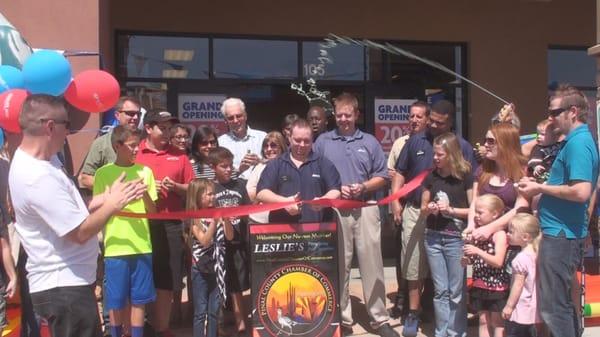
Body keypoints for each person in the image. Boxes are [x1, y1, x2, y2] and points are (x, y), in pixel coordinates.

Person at [9, 94, 145, 337]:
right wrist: (112, 205)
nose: (69, 132)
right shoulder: (37, 176)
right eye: (67, 125)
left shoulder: (44, 161)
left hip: (68, 286)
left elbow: (65, 210)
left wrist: (101, 199)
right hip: (63, 288)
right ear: (50, 127)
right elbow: (79, 232)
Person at [314, 93, 398, 337]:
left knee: (373, 264)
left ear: (356, 115)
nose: (343, 119)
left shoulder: (370, 141)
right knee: (340, 265)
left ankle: (379, 318)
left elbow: (382, 176)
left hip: (366, 207)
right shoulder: (323, 142)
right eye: (339, 115)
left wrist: (362, 187)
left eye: (347, 115)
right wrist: (335, 190)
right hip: (336, 210)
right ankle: (343, 319)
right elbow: (316, 174)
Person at [517, 84, 599, 337]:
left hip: (562, 234)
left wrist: (539, 188)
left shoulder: (579, 144)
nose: (550, 118)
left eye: (554, 112)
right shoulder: (574, 141)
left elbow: (581, 191)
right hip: (559, 232)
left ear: (572, 111)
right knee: (558, 304)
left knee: (554, 307)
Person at [391, 100, 476, 336]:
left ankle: (451, 325)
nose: (433, 125)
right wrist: (396, 201)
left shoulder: (463, 146)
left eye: (439, 122)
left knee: (451, 282)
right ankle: (413, 313)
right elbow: (400, 172)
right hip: (418, 210)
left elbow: (473, 185)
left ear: (450, 121)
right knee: (414, 267)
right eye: (432, 120)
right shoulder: (415, 141)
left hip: (454, 223)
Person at [93, 126, 158, 337]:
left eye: (137, 145)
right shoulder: (103, 173)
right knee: (116, 300)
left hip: (141, 244)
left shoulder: (145, 172)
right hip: (115, 246)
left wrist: (144, 193)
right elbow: (98, 208)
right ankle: (115, 333)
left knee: (139, 300)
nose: (136, 150)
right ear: (117, 146)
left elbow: (153, 211)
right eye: (131, 146)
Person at [135, 109, 195, 337]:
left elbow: (193, 188)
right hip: (139, 223)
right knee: (140, 274)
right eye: (163, 128)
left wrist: (176, 187)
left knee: (166, 277)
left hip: (171, 222)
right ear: (149, 128)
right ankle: (138, 327)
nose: (168, 132)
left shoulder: (179, 155)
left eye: (170, 128)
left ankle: (161, 328)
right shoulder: (135, 151)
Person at [420, 133, 472, 337]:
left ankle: (456, 332)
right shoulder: (431, 177)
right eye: (434, 154)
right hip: (433, 237)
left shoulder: (465, 176)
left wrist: (451, 211)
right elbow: (423, 207)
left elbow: (473, 210)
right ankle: (441, 332)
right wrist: (430, 208)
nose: (435, 158)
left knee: (456, 291)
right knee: (440, 290)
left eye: (439, 154)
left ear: (451, 154)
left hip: (455, 238)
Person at [386, 101, 429, 319]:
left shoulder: (436, 142)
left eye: (418, 116)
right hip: (404, 208)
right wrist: (395, 202)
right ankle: (402, 303)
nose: (414, 120)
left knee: (424, 261)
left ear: (427, 119)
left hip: (427, 210)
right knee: (405, 259)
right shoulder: (401, 143)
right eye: (411, 116)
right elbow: (393, 173)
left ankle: (425, 305)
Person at [257, 119, 341, 223]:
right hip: (282, 232)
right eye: (297, 140)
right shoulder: (276, 164)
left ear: (312, 140)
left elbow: (336, 190)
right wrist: (285, 202)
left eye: (306, 141)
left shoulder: (323, 163)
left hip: (317, 231)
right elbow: (261, 193)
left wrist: (323, 201)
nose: (302, 145)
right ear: (289, 138)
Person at [208, 147, 251, 334]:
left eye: (230, 165)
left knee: (237, 286)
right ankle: (219, 323)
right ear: (213, 167)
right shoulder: (210, 188)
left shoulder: (240, 185)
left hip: (238, 242)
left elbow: (248, 210)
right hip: (217, 245)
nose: (228, 169)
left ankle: (241, 323)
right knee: (219, 284)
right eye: (223, 166)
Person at [187, 178, 234, 337]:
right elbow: (205, 241)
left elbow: (229, 236)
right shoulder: (194, 218)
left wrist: (226, 220)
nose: (213, 197)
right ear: (198, 196)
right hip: (200, 269)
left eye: (214, 194)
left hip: (217, 268)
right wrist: (214, 221)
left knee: (214, 311)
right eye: (209, 194)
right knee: (200, 311)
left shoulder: (218, 214)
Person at [466, 123, 529, 241]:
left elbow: (521, 207)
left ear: (505, 143)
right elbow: (475, 201)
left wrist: (490, 228)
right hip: (481, 237)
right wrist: (471, 225)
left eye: (491, 141)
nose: (485, 145)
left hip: (511, 238)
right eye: (485, 140)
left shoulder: (522, 172)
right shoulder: (482, 170)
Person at [463, 194, 509, 337]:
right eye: (475, 211)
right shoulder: (477, 234)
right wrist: (467, 260)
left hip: (496, 286)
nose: (476, 216)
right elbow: (475, 260)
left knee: (497, 322)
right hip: (479, 284)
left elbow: (498, 261)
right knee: (483, 320)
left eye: (480, 212)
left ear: (495, 214)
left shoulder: (499, 235)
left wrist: (477, 250)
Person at [79, 96, 142, 190]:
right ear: (117, 115)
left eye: (138, 114)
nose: (136, 117)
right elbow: (85, 178)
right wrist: (114, 188)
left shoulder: (145, 142)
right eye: (131, 114)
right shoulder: (102, 143)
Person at [502, 213, 542, 337]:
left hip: (521, 307)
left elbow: (518, 285)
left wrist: (509, 306)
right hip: (536, 306)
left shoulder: (521, 259)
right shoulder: (538, 254)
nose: (507, 234)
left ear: (525, 237)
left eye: (511, 232)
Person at [217, 98, 267, 180]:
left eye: (239, 116)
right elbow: (219, 173)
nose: (235, 121)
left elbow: (275, 163)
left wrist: (260, 162)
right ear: (225, 121)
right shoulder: (220, 142)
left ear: (245, 116)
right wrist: (239, 170)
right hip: (234, 188)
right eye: (231, 118)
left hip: (261, 186)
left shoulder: (262, 137)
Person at [246, 131, 287, 223]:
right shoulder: (259, 167)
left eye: (273, 145)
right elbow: (250, 193)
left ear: (281, 147)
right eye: (265, 146)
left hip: (283, 218)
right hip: (258, 219)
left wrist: (265, 196)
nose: (269, 149)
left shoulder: (289, 166)